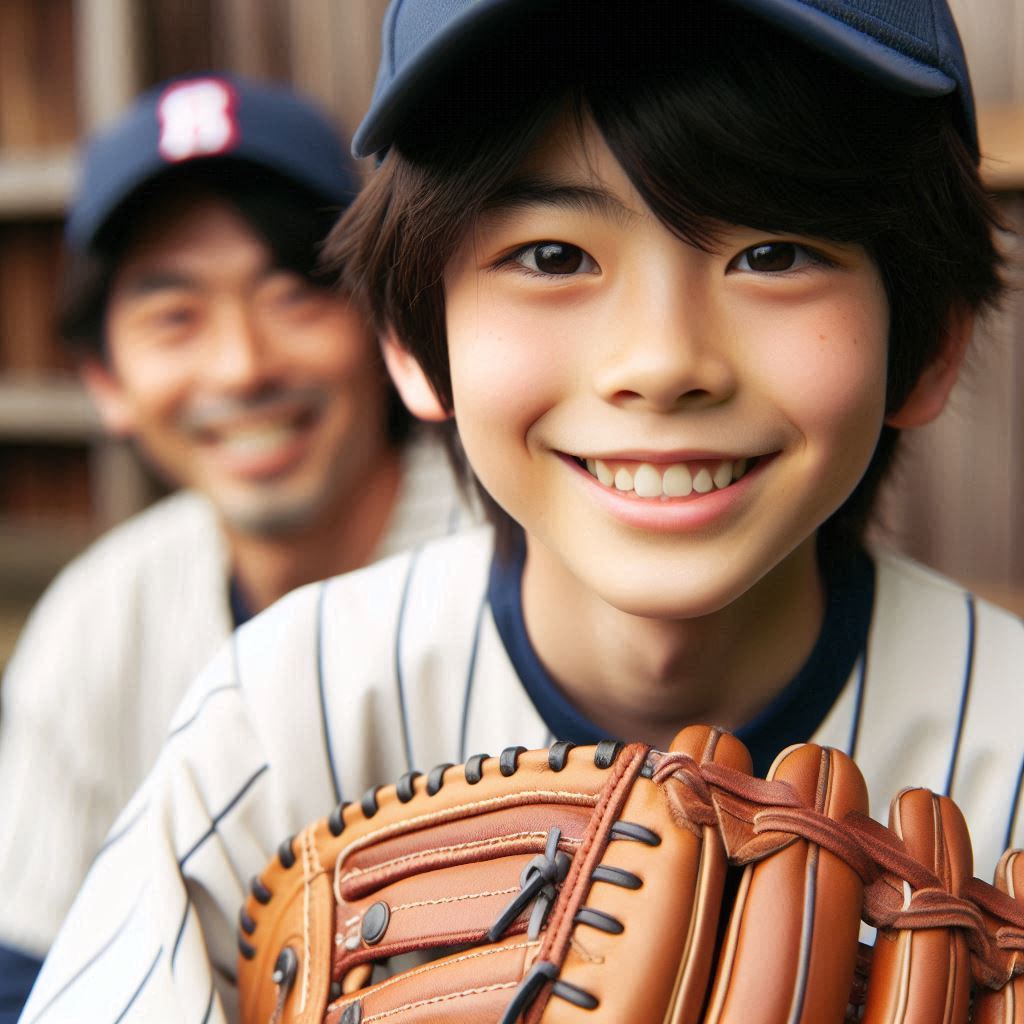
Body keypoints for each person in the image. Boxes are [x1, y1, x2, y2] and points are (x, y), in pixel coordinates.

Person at [19, 3, 1024, 1021]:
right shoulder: (278, 714)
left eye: (773, 252)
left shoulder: (1008, 736)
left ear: (929, 341)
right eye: (551, 255)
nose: (663, 362)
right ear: (412, 343)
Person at [0, 73, 474, 1021]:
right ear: (105, 380)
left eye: (296, 293)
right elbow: (27, 970)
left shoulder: (525, 563)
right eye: (174, 315)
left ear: (388, 323)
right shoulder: (102, 611)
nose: (243, 365)